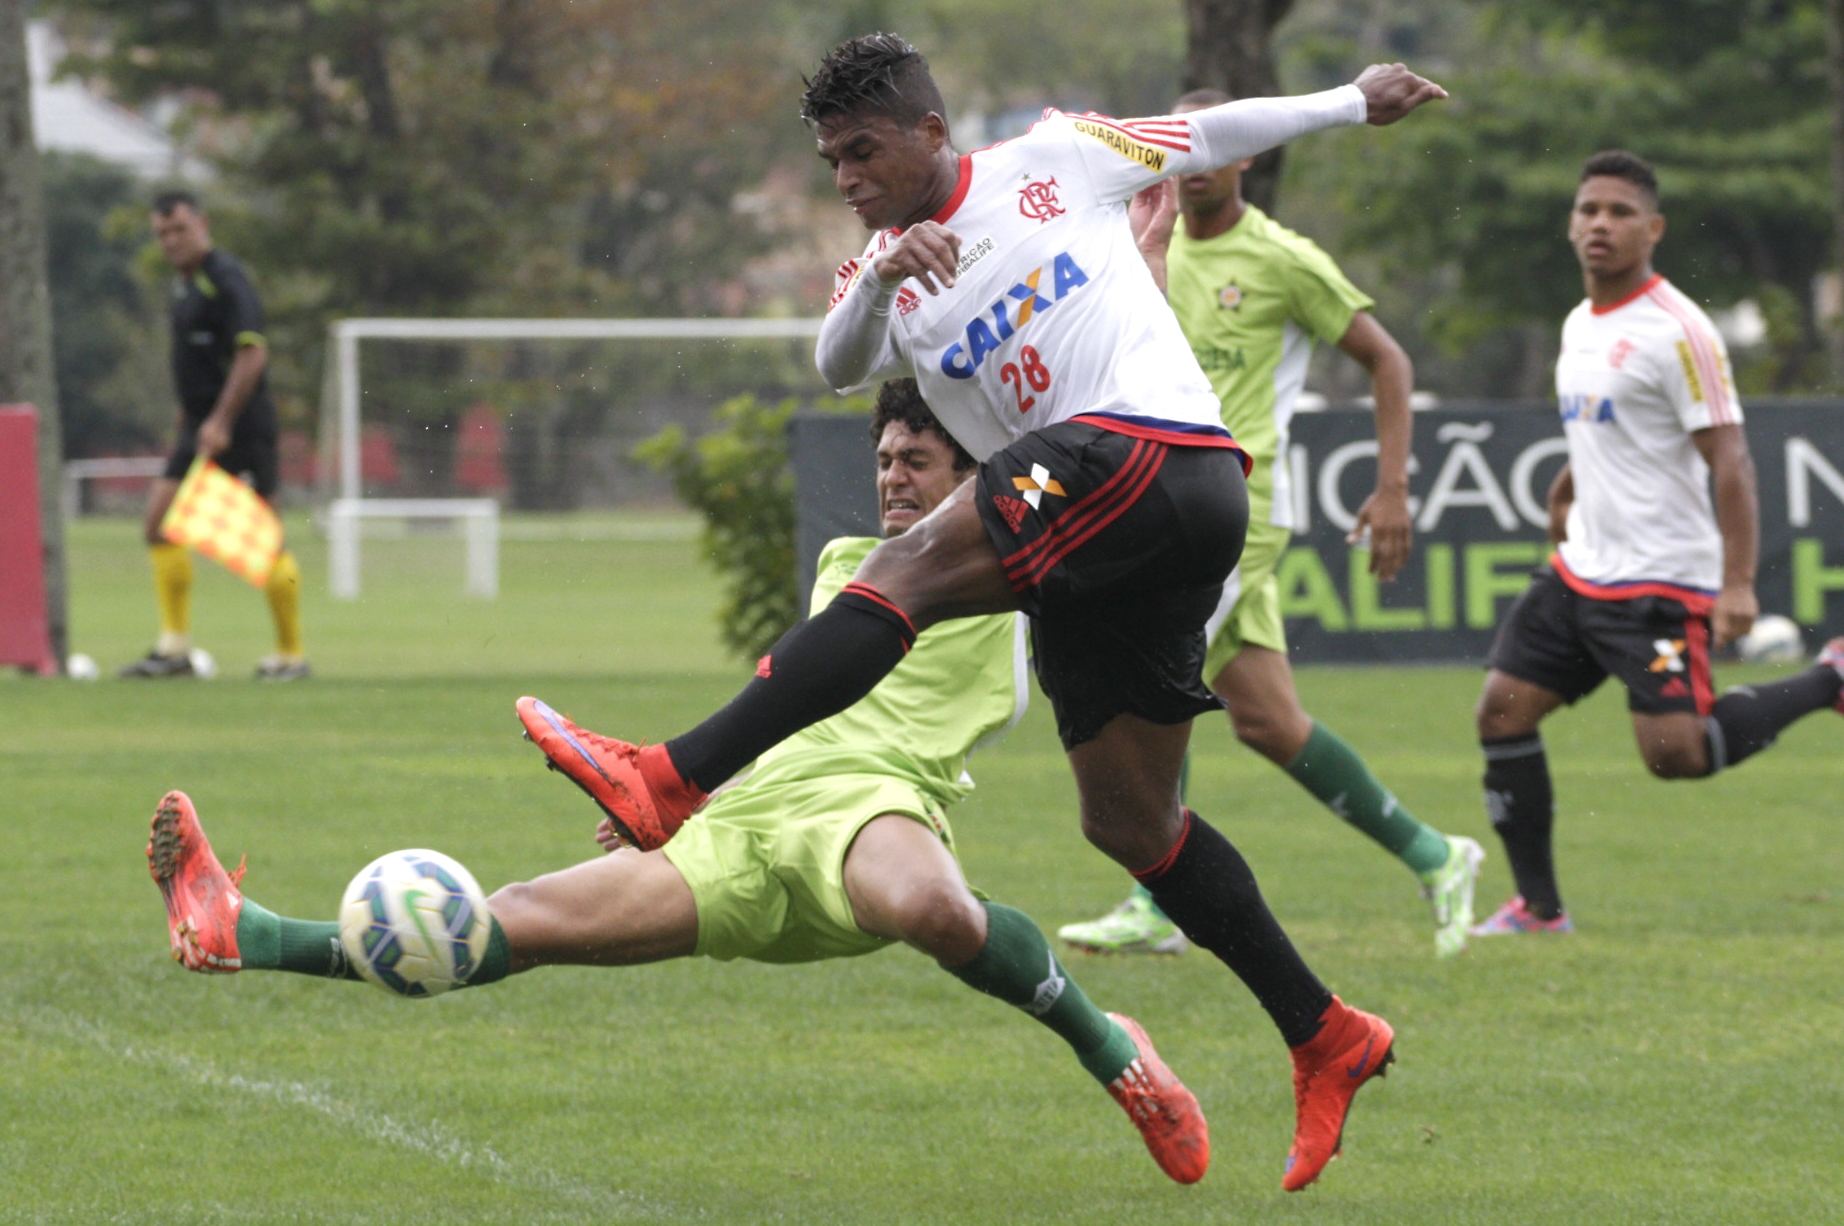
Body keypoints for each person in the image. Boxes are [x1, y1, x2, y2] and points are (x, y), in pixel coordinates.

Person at [517, 34, 1445, 1191]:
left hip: (1156, 455)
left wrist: (1351, 103)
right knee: (1130, 822)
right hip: (1106, 539)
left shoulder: (1051, 158)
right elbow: (834, 362)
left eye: (862, 152)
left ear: (927, 131)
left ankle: (669, 776)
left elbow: (1201, 132)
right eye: (829, 162)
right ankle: (1324, 1032)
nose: (847, 178)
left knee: (897, 569)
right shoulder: (878, 265)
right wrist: (888, 269)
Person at [147, 379, 1209, 1185]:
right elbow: (788, 698)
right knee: (491, 925)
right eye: (883, 455)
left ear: (978, 471)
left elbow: (1101, 420)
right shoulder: (854, 564)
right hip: (741, 830)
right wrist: (676, 796)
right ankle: (245, 929)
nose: (891, 473)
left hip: (871, 814)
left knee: (932, 904)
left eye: (917, 458)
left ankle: (1114, 1049)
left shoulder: (1024, 569)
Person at [1059, 89, 1484, 961]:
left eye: (1216, 144)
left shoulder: (1282, 258)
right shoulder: (1132, 248)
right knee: (1268, 722)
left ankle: (1156, 897)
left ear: (1247, 155)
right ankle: (1439, 856)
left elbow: (1386, 358)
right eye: (1183, 145)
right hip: (1156, 494)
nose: (1200, 160)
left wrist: (1393, 487)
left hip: (1234, 508)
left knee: (1150, 676)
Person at [1470, 150, 1844, 937]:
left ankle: (1832, 678)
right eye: (1588, 210)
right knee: (1501, 715)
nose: (1599, 224)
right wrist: (1570, 487)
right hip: (1580, 571)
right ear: (1571, 224)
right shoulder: (1579, 322)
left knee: (1676, 754)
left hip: (1659, 580)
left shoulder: (1680, 332)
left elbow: (1731, 459)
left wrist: (1737, 582)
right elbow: (1614, 428)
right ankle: (1540, 910)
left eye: (1618, 212)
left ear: (1653, 228)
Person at [119, 191, 307, 682]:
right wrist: (195, 416)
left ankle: (291, 655)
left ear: (202, 225)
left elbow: (252, 354)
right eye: (162, 233)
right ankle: (174, 649)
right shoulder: (183, 287)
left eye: (179, 229)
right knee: (158, 525)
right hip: (199, 429)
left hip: (240, 427)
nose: (171, 241)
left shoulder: (226, 279)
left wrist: (222, 419)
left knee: (267, 538)